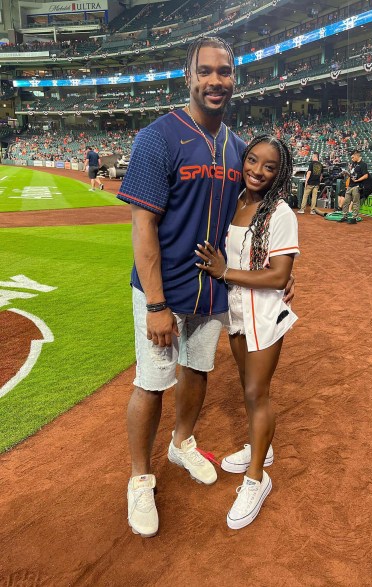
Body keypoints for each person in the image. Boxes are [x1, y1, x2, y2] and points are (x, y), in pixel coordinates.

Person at [116, 36, 294, 538]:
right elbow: (142, 226)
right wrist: (154, 304)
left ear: (234, 78)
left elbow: (251, 218)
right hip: (164, 289)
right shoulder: (158, 137)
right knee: (152, 383)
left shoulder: (237, 147)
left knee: (196, 371)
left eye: (225, 72)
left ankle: (182, 442)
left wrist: (281, 272)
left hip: (212, 292)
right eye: (207, 72)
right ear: (189, 77)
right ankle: (139, 477)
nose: (216, 81)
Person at [195, 135, 299, 529]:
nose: (257, 170)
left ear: (279, 173)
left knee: (258, 392)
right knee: (245, 385)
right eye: (252, 161)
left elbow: (278, 275)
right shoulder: (236, 200)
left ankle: (257, 477)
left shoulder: (281, 213)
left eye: (269, 166)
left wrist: (224, 272)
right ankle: (262, 449)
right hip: (236, 311)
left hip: (264, 313)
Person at [337, 150, 372, 225]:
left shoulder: (363, 164)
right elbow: (352, 174)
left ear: (357, 156)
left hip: (357, 186)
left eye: (353, 157)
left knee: (356, 202)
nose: (352, 158)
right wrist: (347, 173)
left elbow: (365, 175)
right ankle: (344, 216)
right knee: (346, 201)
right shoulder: (353, 164)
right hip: (350, 185)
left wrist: (357, 180)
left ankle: (354, 218)